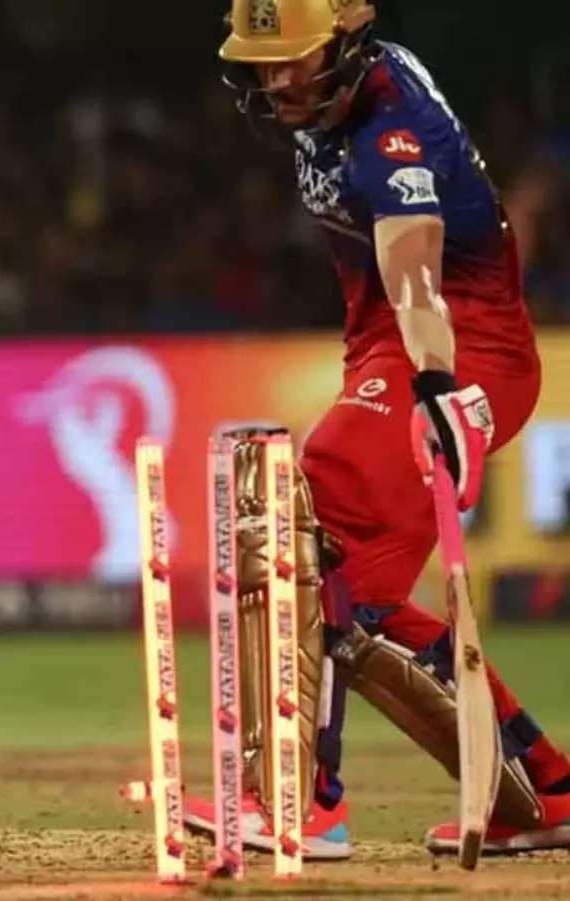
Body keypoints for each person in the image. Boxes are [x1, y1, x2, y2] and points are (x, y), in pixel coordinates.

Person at [184, 0, 570, 861]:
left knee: (310, 523)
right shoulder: (327, 98)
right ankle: (542, 790)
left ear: (348, 43)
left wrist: (436, 385)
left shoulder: (391, 129)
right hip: (387, 351)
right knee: (360, 605)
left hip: (456, 348)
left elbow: (413, 267)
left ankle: (298, 801)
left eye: (294, 58)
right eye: (261, 62)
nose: (275, 80)